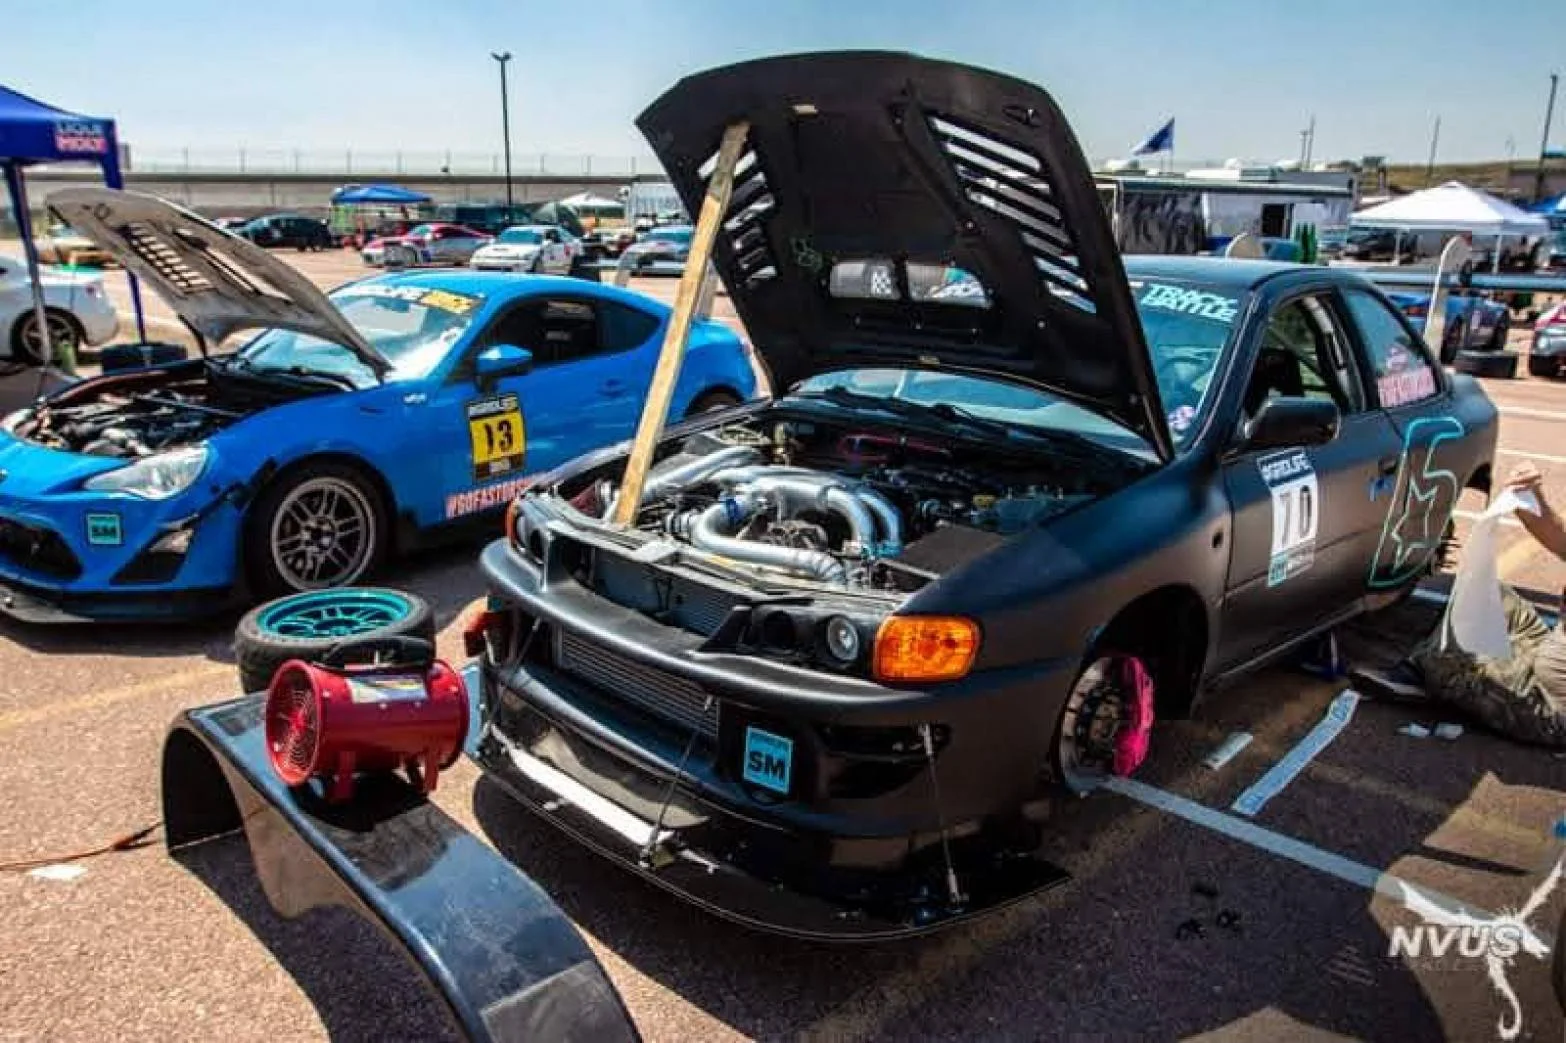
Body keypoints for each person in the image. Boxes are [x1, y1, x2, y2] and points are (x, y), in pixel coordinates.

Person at [1352, 460, 1566, 748]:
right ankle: (1419, 670)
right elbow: (1560, 539)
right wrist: (1531, 495)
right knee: (1490, 594)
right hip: (1547, 652)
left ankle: (1431, 678)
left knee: (1452, 666)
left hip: (1550, 705)